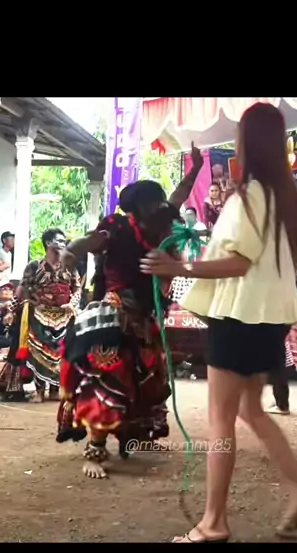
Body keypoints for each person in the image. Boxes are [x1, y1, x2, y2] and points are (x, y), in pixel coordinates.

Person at [141, 102, 297, 542]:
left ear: (247, 144)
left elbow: (239, 263)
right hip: (271, 318)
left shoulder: (248, 197)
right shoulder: (288, 198)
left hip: (239, 316)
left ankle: (214, 522)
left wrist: (178, 268)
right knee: (249, 409)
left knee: (221, 419)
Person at [56, 145, 203, 480]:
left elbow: (180, 194)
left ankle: (133, 434)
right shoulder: (118, 226)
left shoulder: (163, 223)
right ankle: (95, 448)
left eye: (161, 201)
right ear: (139, 206)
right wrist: (70, 252)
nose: (161, 206)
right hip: (115, 314)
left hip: (147, 317)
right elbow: (91, 242)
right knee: (108, 375)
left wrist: (195, 168)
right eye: (154, 202)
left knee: (149, 379)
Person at [0, 229, 81, 402]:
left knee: (61, 353)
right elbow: (22, 288)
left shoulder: (70, 265)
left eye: (64, 241)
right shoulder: (34, 266)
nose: (63, 244)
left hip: (64, 315)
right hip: (38, 313)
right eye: (59, 240)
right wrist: (11, 310)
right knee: (38, 352)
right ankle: (40, 390)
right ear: (48, 243)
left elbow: (77, 288)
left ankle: (55, 390)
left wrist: (72, 303)